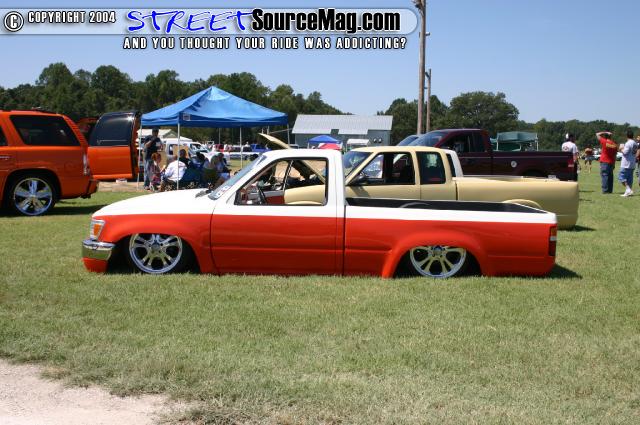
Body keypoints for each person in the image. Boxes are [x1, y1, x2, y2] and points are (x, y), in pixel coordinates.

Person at [618, 130, 638, 197]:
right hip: (632, 163)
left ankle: (628, 189)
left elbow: (625, 152)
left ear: (627, 136)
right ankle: (627, 193)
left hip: (626, 163)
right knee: (629, 179)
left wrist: (621, 148)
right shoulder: (635, 143)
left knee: (621, 177)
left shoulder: (628, 143)